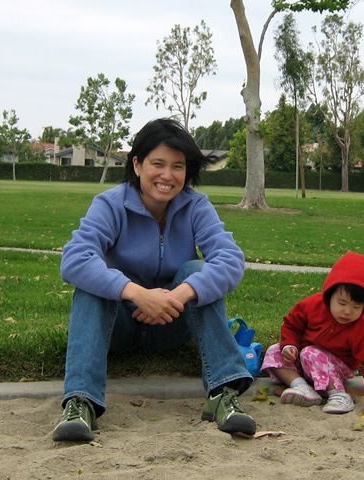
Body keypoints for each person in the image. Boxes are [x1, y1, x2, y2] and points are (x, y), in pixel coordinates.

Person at [53, 118, 256, 441]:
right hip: (118, 323)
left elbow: (230, 259)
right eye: (157, 164)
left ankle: (224, 394)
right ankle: (81, 401)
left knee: (197, 270)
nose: (167, 175)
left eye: (178, 166)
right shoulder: (110, 204)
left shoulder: (196, 206)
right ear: (137, 164)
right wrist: (136, 293)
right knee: (94, 280)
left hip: (171, 324)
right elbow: (75, 259)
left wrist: (178, 295)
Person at [261, 252, 364, 419]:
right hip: (305, 360)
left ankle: (339, 395)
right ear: (330, 295)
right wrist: (290, 345)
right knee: (274, 350)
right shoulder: (312, 305)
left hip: (338, 368)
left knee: (311, 352)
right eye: (342, 303)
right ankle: (302, 387)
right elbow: (292, 324)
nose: (347, 311)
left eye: (356, 307)